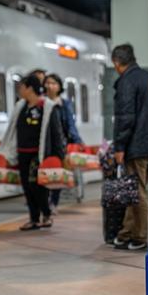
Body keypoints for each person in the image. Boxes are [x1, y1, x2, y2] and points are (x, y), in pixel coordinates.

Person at [111, 43, 148, 251]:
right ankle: (126, 233)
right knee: (132, 189)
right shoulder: (146, 77)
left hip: (137, 143)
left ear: (116, 62)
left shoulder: (127, 81)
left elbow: (126, 117)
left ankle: (140, 237)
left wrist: (119, 146)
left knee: (137, 191)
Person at [1, 75, 66, 231]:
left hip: (40, 153)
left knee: (37, 186)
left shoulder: (47, 107)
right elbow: (12, 129)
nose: (19, 90)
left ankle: (46, 214)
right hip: (22, 152)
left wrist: (58, 155)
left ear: (29, 88)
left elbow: (56, 132)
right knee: (26, 186)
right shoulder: (21, 106)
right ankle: (34, 218)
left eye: (21, 87)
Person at [44, 73, 83, 214]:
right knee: (44, 172)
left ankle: (53, 202)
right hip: (44, 143)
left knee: (57, 173)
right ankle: (45, 202)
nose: (49, 86)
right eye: (47, 83)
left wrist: (76, 140)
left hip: (60, 143)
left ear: (59, 86)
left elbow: (70, 123)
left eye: (53, 83)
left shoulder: (64, 104)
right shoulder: (42, 102)